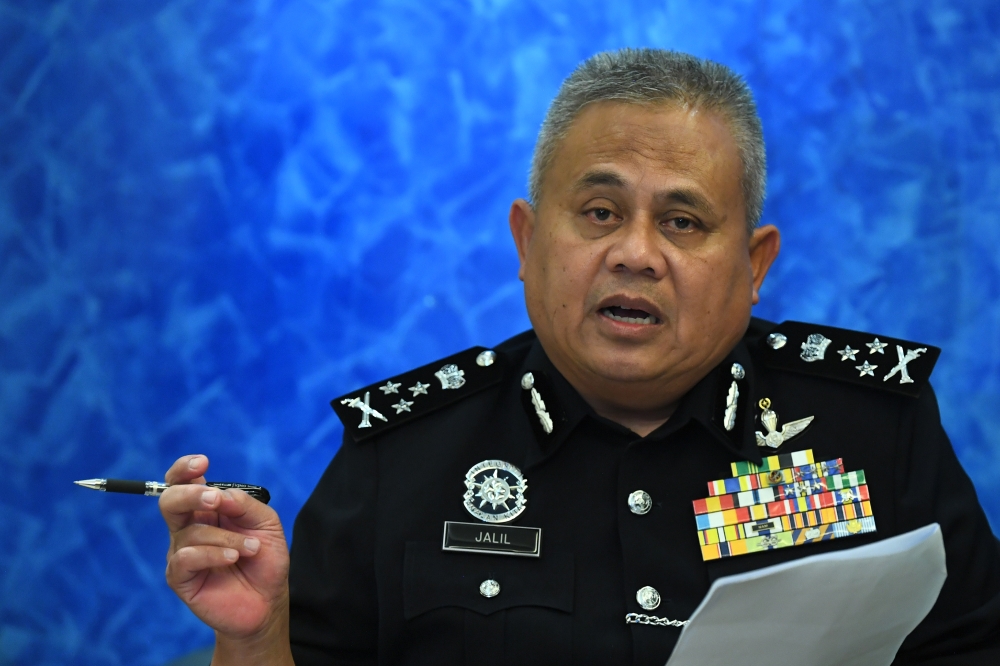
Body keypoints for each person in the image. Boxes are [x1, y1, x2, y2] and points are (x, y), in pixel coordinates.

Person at [158, 49, 1000, 665]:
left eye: (683, 221)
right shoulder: (400, 455)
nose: (636, 253)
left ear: (754, 266)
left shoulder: (876, 432)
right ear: (528, 241)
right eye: (599, 212)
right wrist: (256, 636)